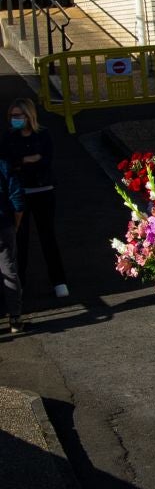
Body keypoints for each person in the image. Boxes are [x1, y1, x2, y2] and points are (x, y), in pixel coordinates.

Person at [5, 99, 66, 299]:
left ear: (28, 116)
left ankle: (59, 280)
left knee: (47, 237)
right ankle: (20, 283)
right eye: (12, 116)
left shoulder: (43, 134)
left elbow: (45, 161)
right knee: (19, 240)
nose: (15, 120)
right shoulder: (9, 137)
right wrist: (28, 159)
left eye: (18, 116)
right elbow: (9, 164)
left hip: (43, 190)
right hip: (20, 193)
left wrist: (22, 162)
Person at [0, 153, 23, 333]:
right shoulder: (4, 165)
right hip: (4, 224)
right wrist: (15, 224)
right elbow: (16, 197)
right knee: (9, 268)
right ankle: (15, 317)